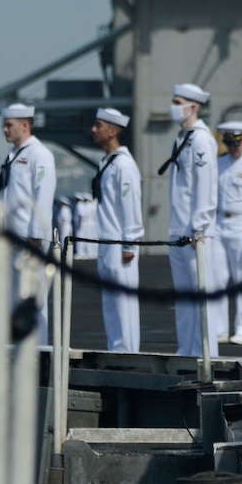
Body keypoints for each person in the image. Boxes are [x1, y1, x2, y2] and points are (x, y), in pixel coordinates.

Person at [159, 83, 221, 355]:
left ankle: (207, 353)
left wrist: (199, 226)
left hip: (196, 232)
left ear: (193, 107)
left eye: (178, 101)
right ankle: (187, 350)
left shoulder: (201, 140)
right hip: (178, 229)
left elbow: (206, 188)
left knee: (200, 296)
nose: (173, 106)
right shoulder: (181, 138)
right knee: (184, 298)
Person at [0, 102, 56, 343]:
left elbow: (43, 194)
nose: (4, 130)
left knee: (34, 299)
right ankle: (19, 352)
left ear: (25, 125)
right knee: (15, 299)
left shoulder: (39, 154)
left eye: (9, 125)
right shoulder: (13, 155)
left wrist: (36, 234)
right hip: (12, 238)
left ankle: (39, 354)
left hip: (29, 239)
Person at [91, 107, 143, 352]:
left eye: (98, 125)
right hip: (106, 241)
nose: (94, 129)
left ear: (112, 131)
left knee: (124, 303)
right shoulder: (108, 162)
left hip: (120, 243)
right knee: (110, 303)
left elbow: (130, 202)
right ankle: (116, 350)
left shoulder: (123, 165)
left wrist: (130, 242)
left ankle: (129, 353)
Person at [214, 121, 242, 345]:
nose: (233, 147)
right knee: (217, 278)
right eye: (229, 143)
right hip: (220, 222)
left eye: (237, 143)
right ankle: (219, 328)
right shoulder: (220, 163)